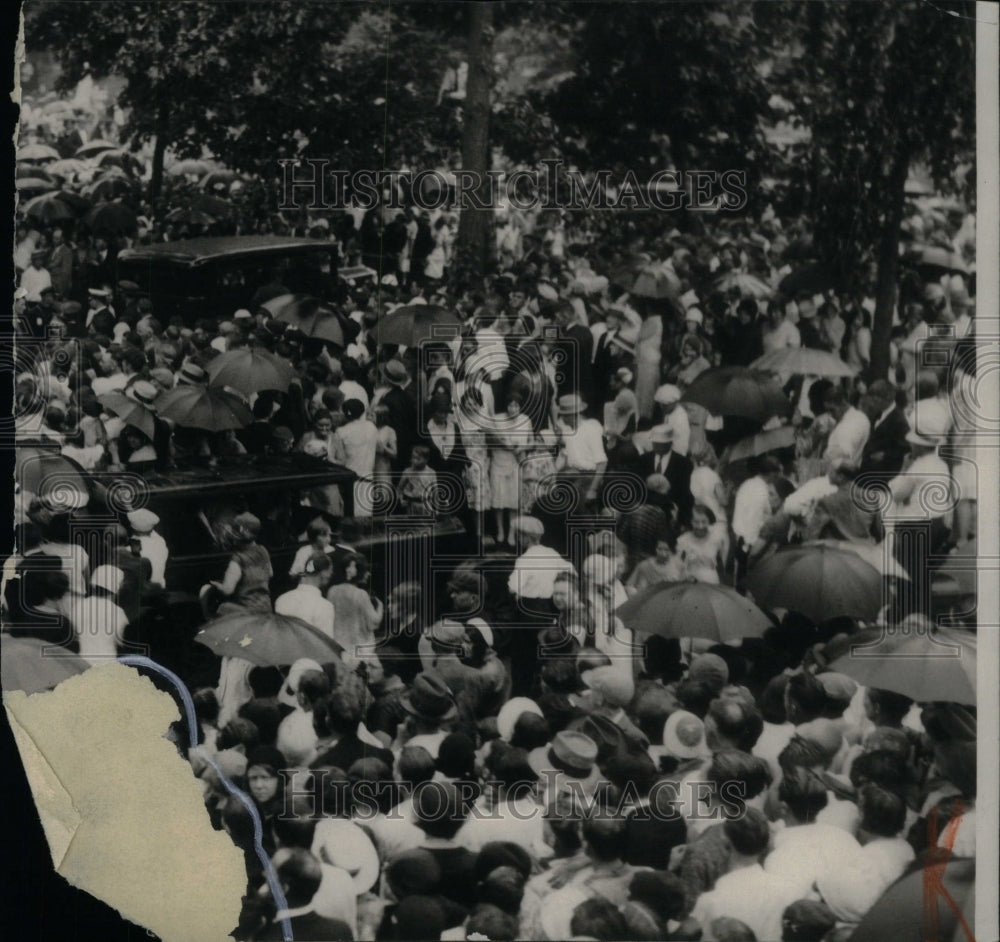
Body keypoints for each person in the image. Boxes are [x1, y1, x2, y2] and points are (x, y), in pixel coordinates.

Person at [326, 553, 382, 664]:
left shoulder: (332, 591)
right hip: (358, 653)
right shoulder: (360, 594)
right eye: (365, 570)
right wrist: (380, 606)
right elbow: (373, 623)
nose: (368, 574)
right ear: (358, 573)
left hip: (337, 650)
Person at [275, 552, 335, 638]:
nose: (331, 574)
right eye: (330, 571)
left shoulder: (281, 599)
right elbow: (325, 647)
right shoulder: (325, 606)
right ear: (324, 572)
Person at [677, 504, 729, 584]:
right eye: (696, 522)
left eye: (704, 522)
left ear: (709, 521)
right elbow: (676, 564)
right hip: (690, 582)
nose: (700, 526)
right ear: (691, 521)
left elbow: (723, 563)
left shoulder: (717, 537)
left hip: (711, 582)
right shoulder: (683, 540)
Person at [398, 444, 438, 516]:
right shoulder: (408, 471)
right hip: (412, 505)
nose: (414, 461)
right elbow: (399, 488)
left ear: (426, 459)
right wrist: (401, 500)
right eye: (413, 457)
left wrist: (436, 508)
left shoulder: (431, 472)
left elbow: (435, 491)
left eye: (418, 459)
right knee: (413, 525)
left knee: (426, 526)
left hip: (426, 505)